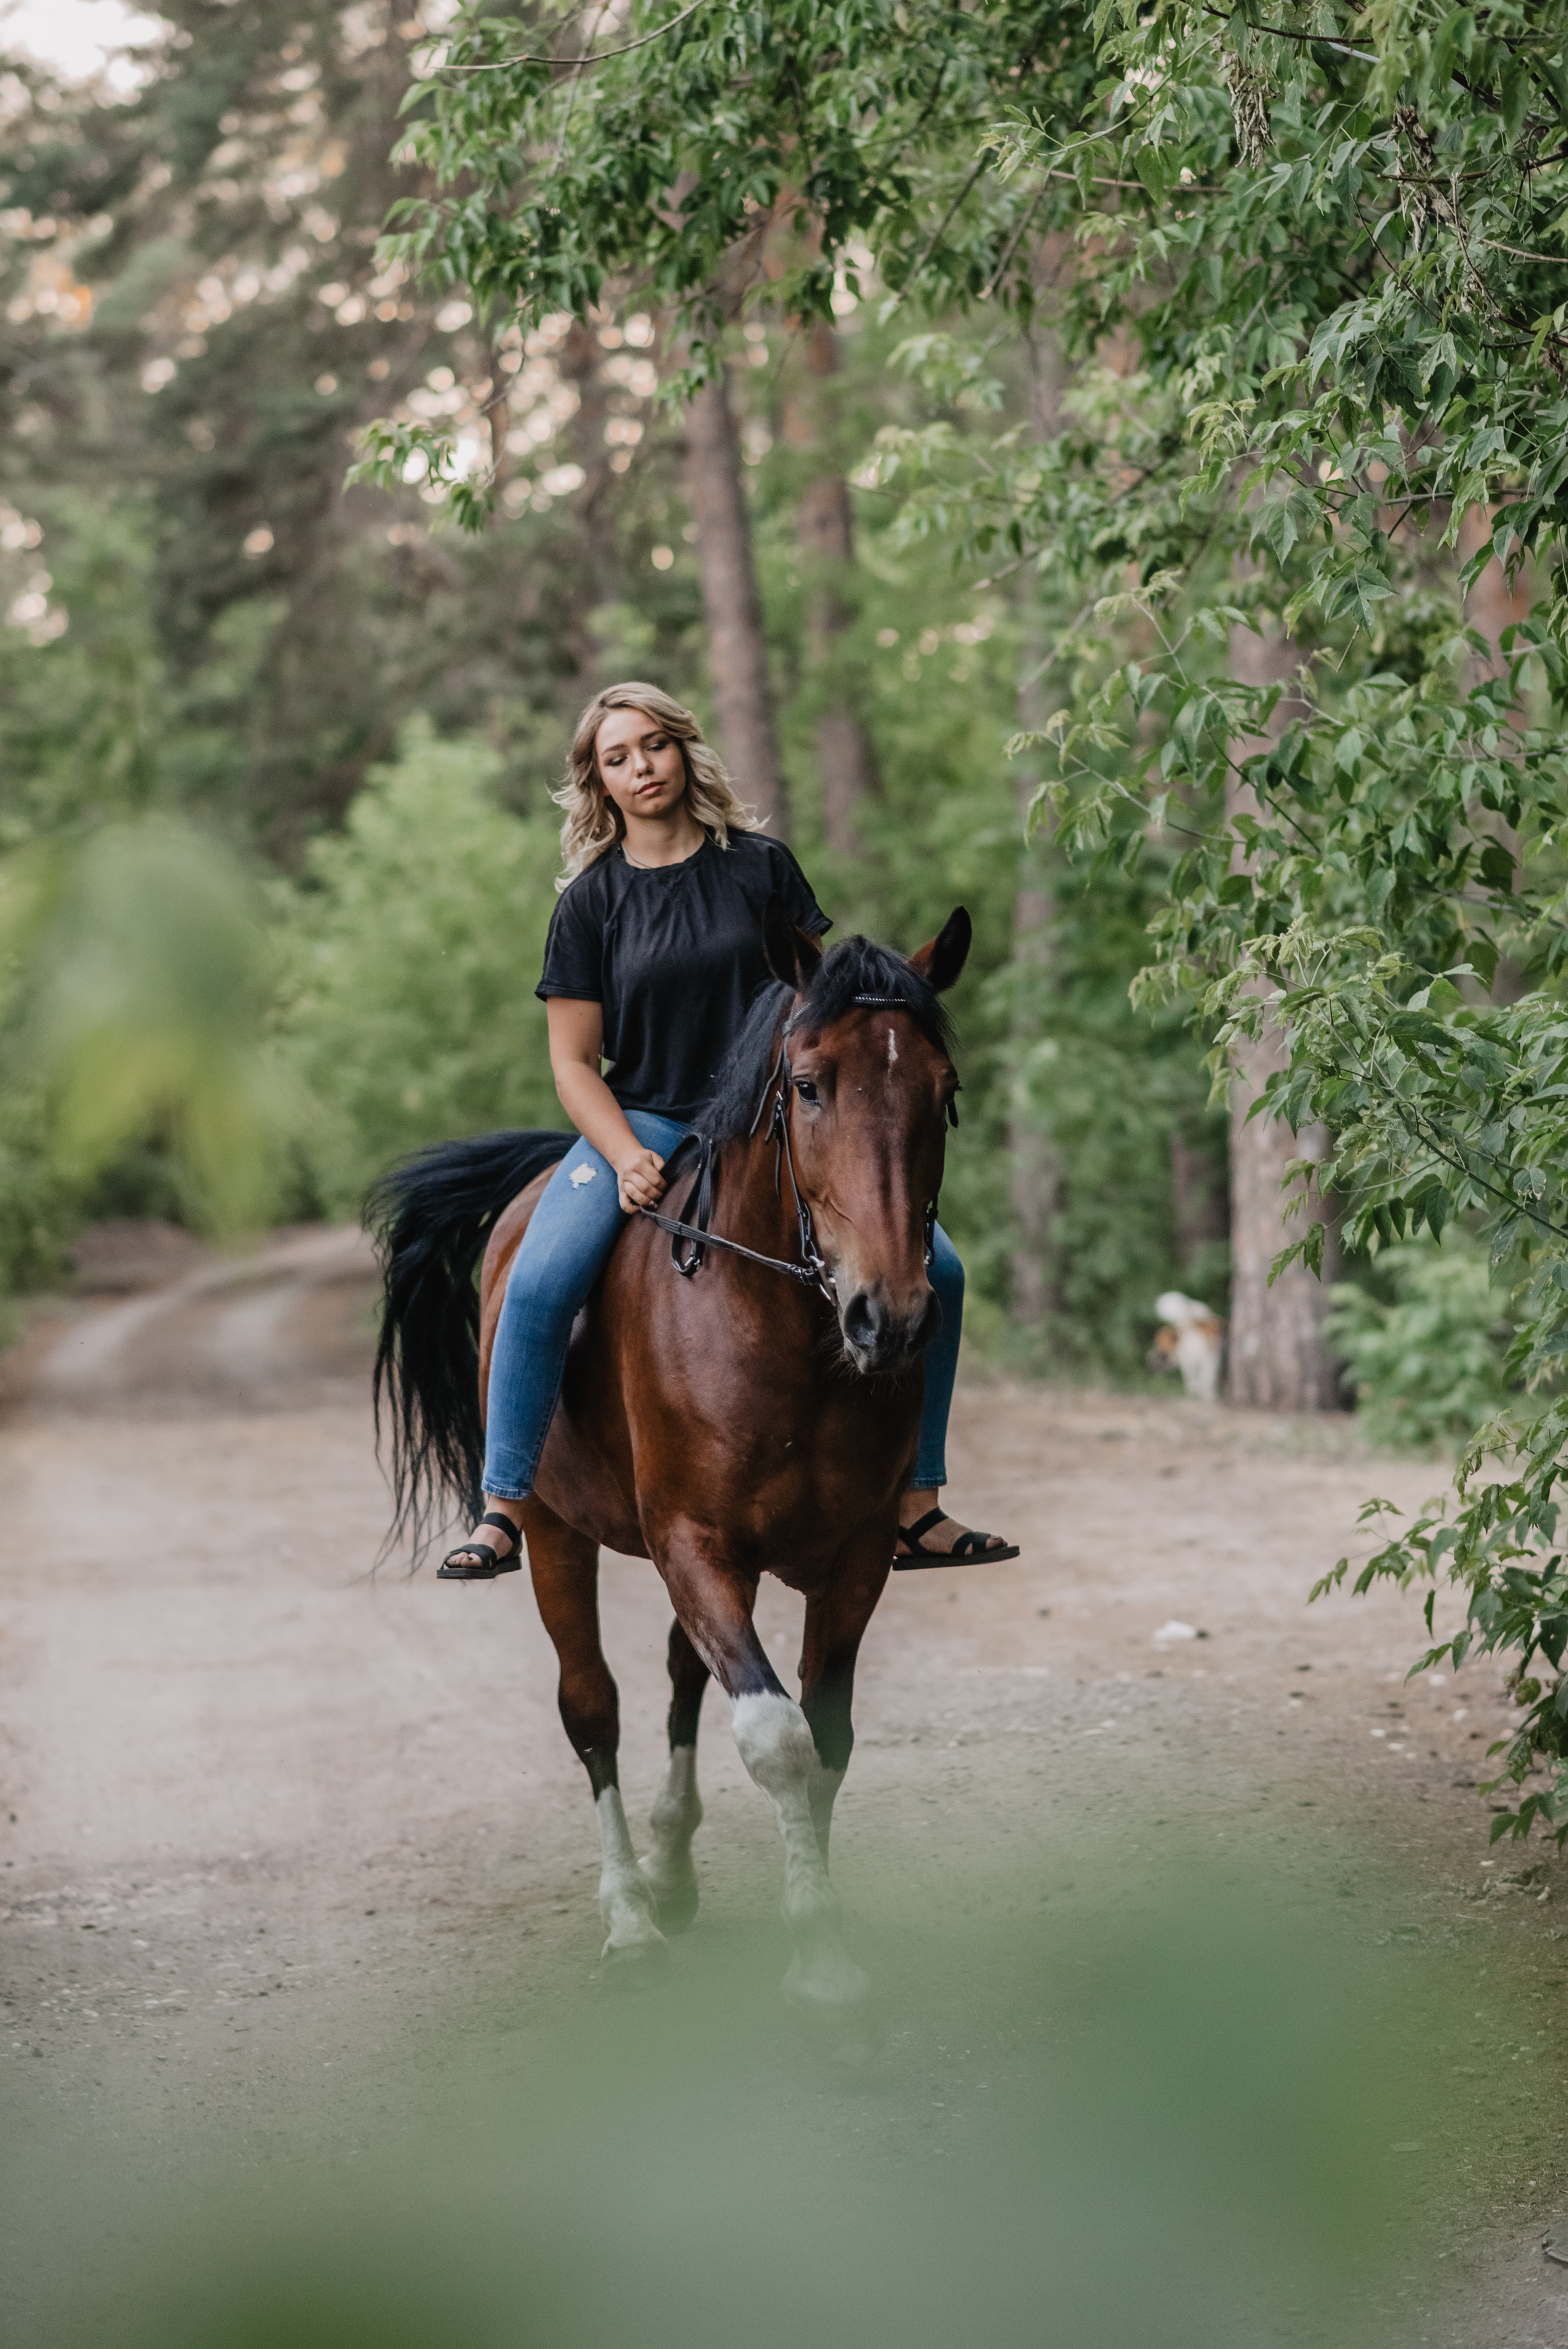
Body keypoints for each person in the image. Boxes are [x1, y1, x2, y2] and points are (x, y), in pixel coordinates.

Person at [440, 681, 1019, 1579]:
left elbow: (819, 1007)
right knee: (542, 1274)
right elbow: (570, 1064)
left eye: (654, 747)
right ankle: (506, 1501)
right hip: (641, 1119)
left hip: (764, 1122)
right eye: (617, 758)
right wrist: (627, 1155)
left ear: (685, 750)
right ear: (598, 782)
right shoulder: (591, 906)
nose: (642, 769)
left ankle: (918, 1503)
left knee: (940, 1265)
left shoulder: (762, 869)